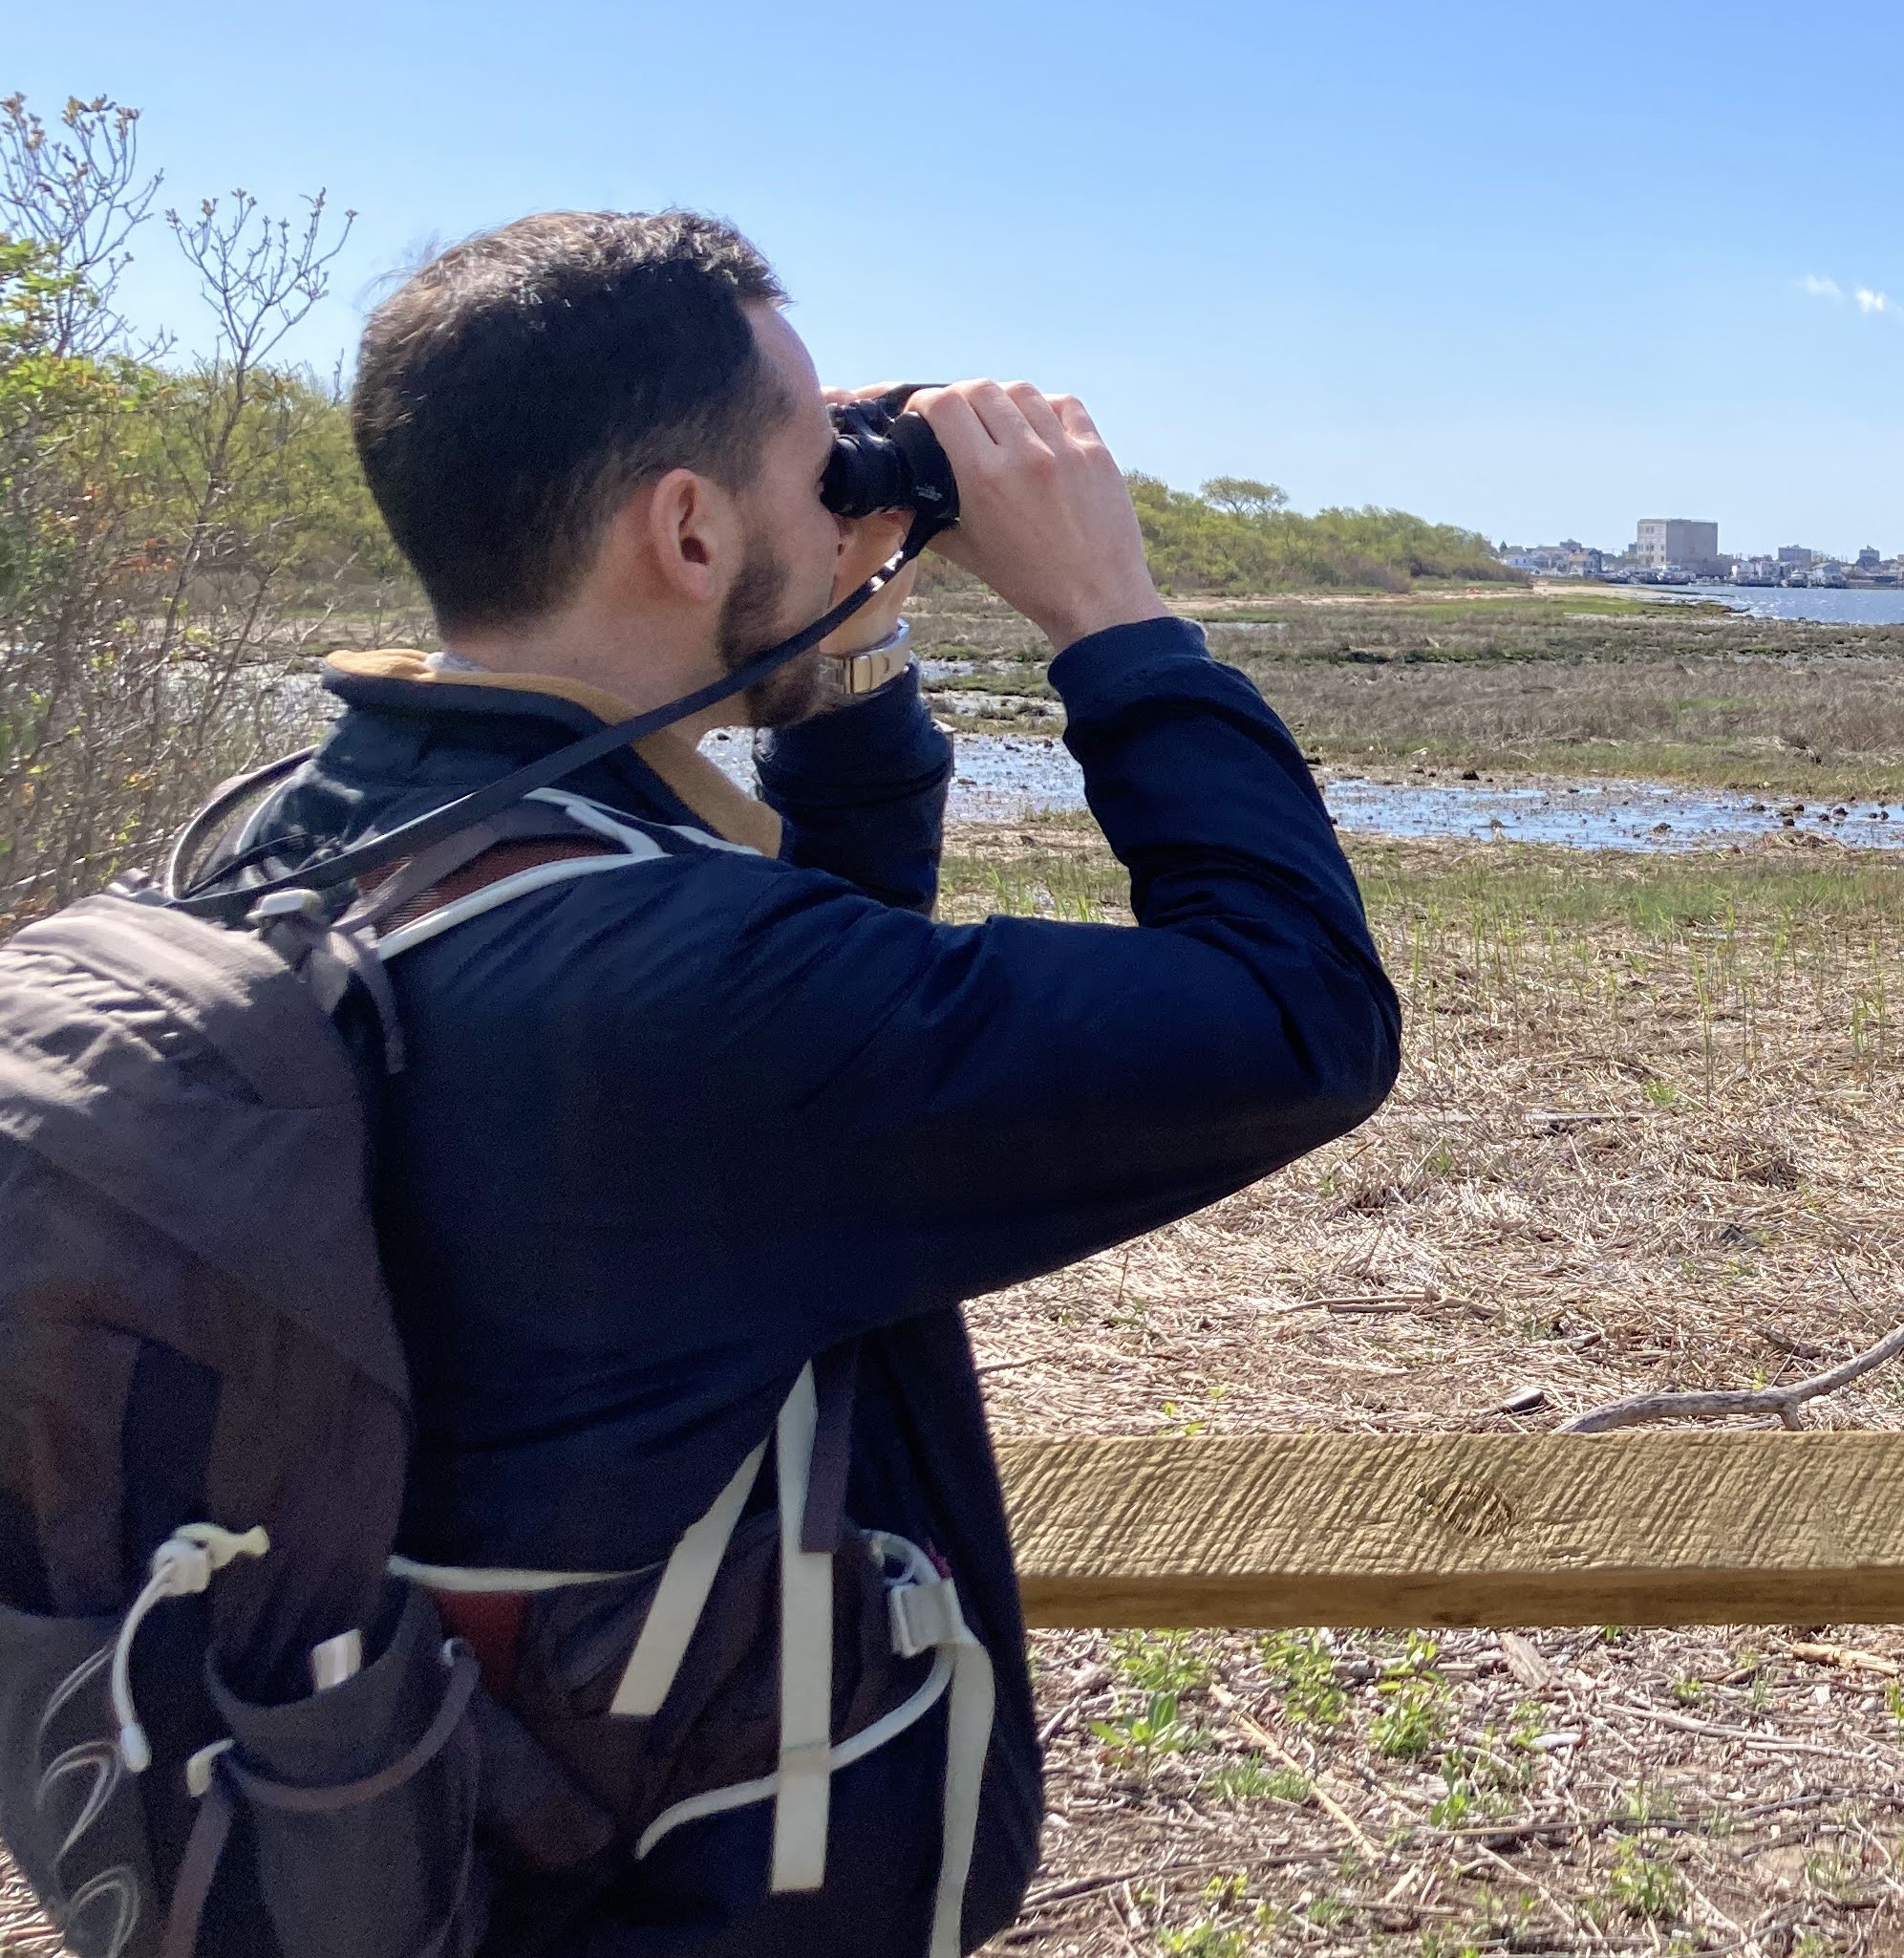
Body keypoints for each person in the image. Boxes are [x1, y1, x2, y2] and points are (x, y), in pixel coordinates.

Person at [225, 210, 1401, 1952]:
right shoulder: (691, 1002)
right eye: (807, 458)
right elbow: (1298, 1012)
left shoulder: (300, 847)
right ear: (688, 528)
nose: (845, 481)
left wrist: (835, 657)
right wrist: (1115, 618)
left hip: (415, 1826)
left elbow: (777, 1047)